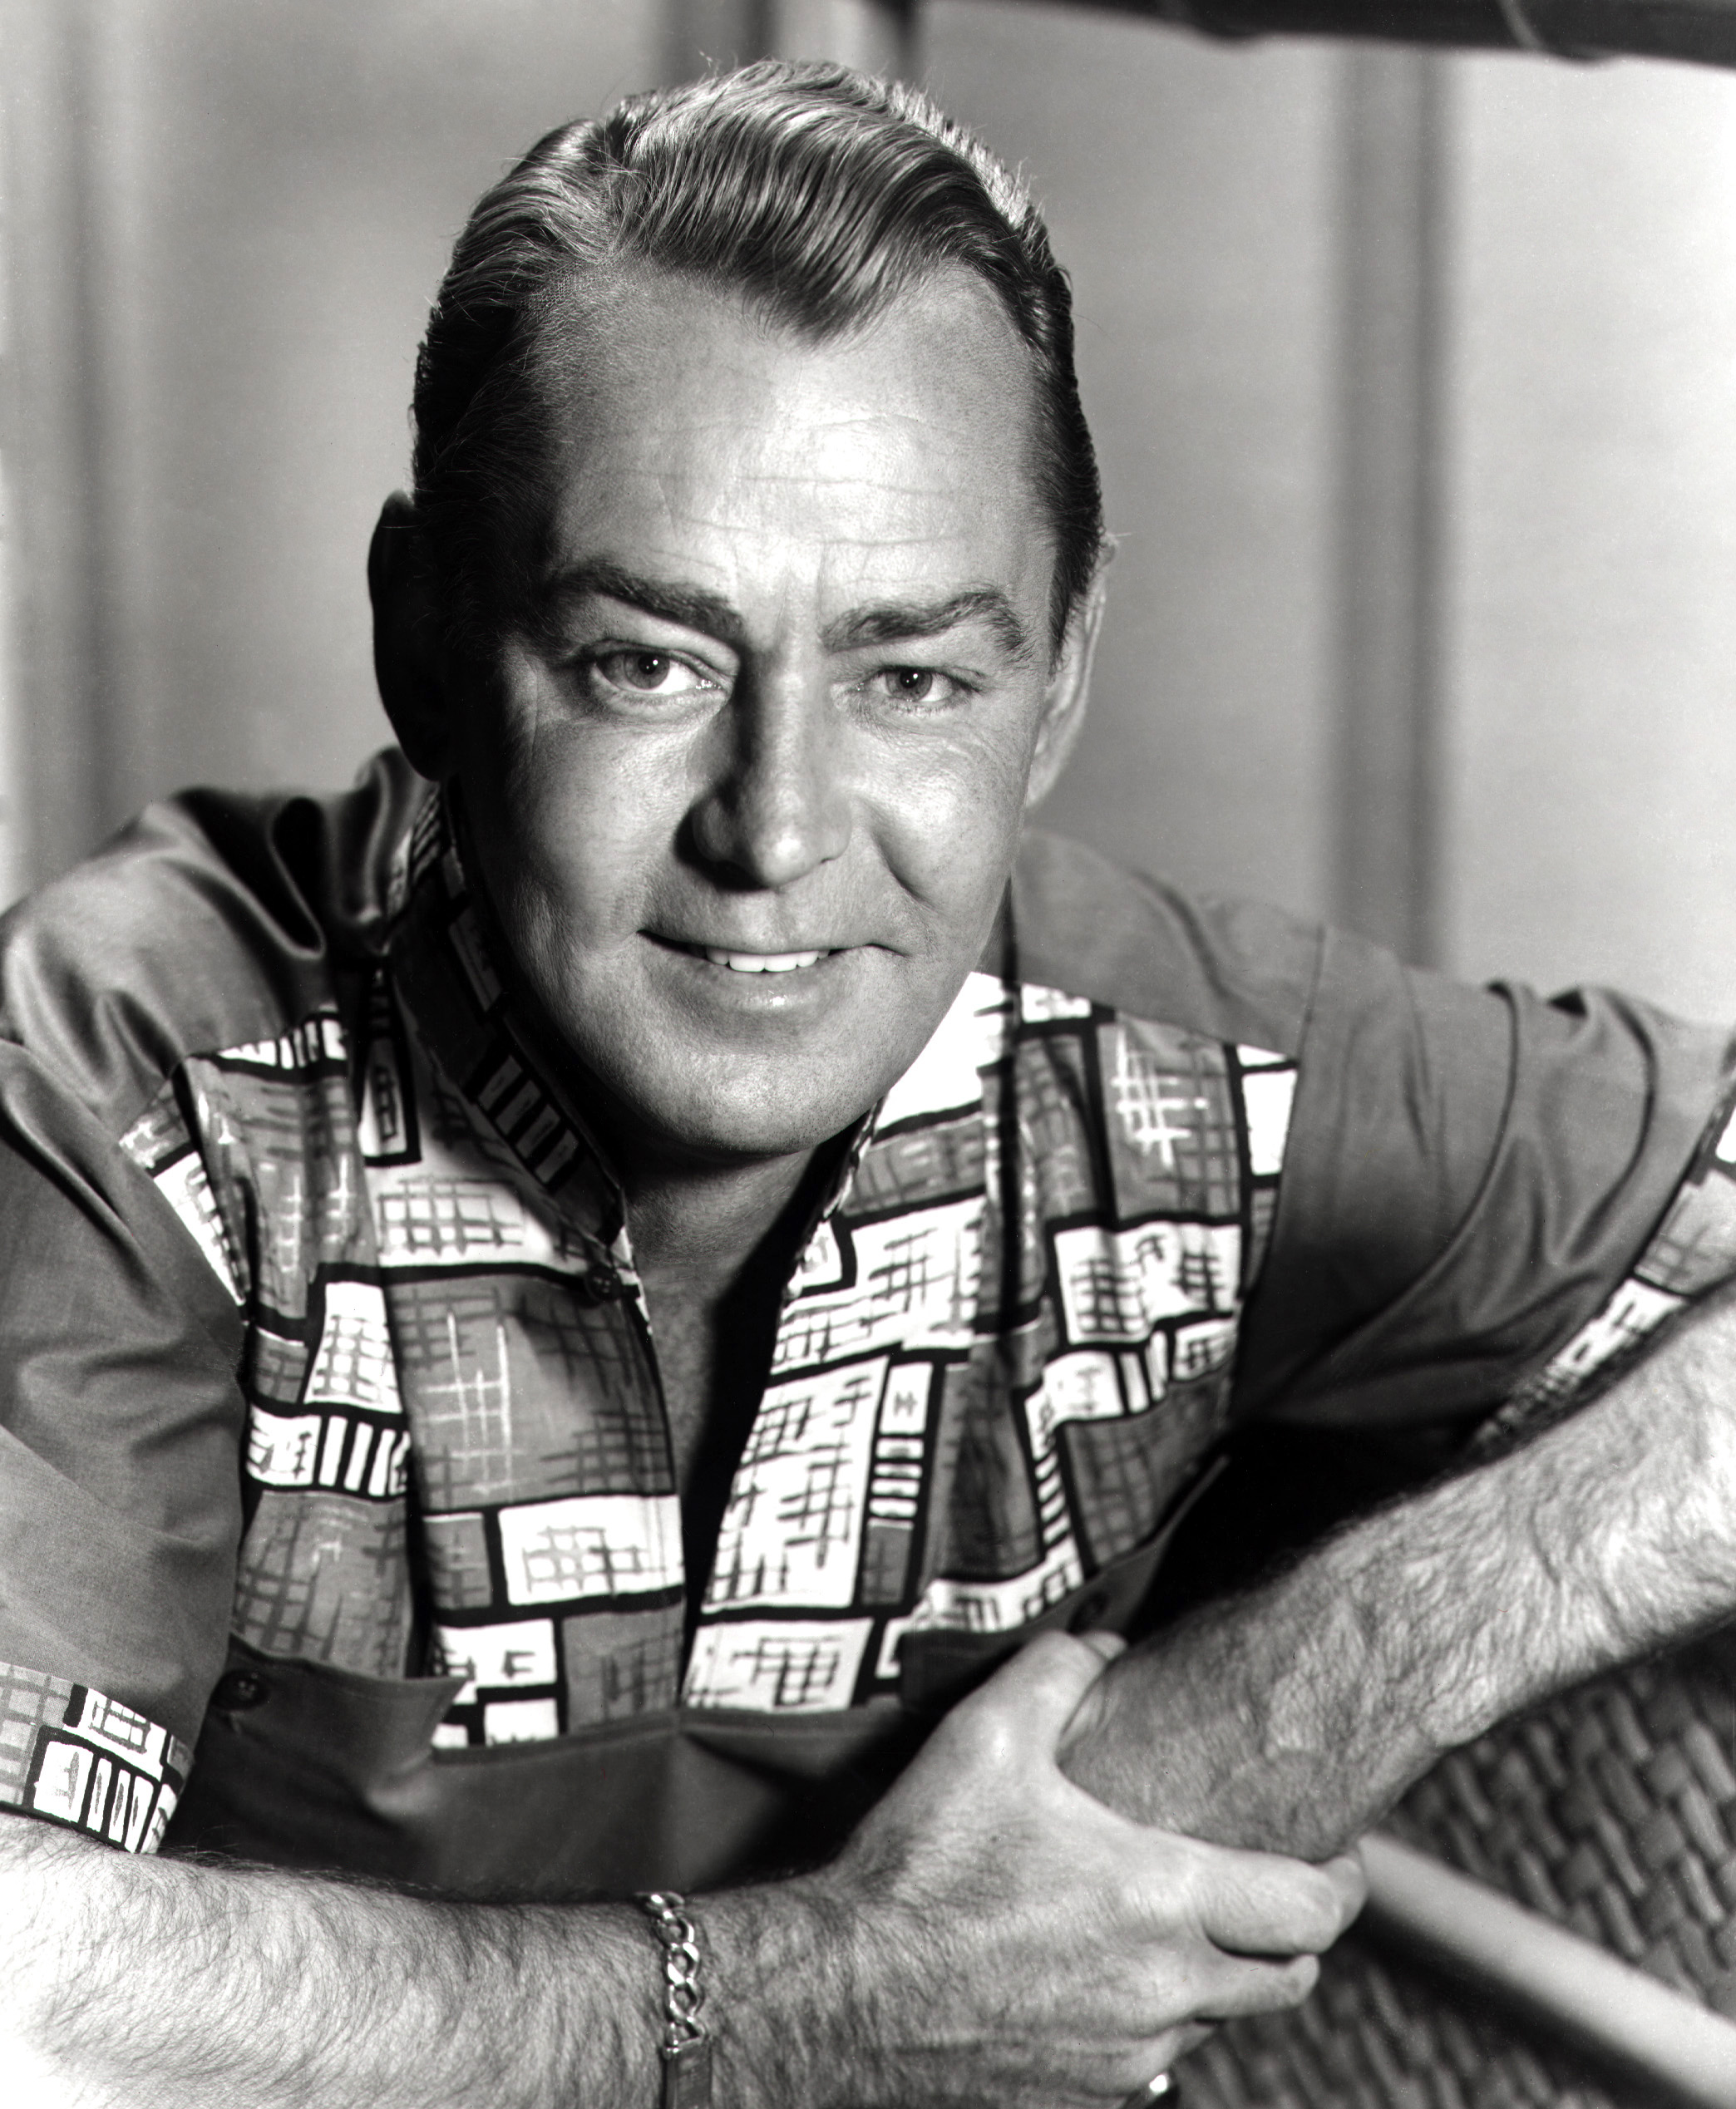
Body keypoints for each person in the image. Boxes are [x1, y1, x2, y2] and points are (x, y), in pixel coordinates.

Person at [2, 57, 1734, 2109]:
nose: (781, 830)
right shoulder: (136, 1075)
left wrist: (1304, 1687)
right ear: (424, 637)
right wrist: (818, 1997)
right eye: (650, 662)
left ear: (1056, 684)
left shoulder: (1191, 1080)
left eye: (912, 679)